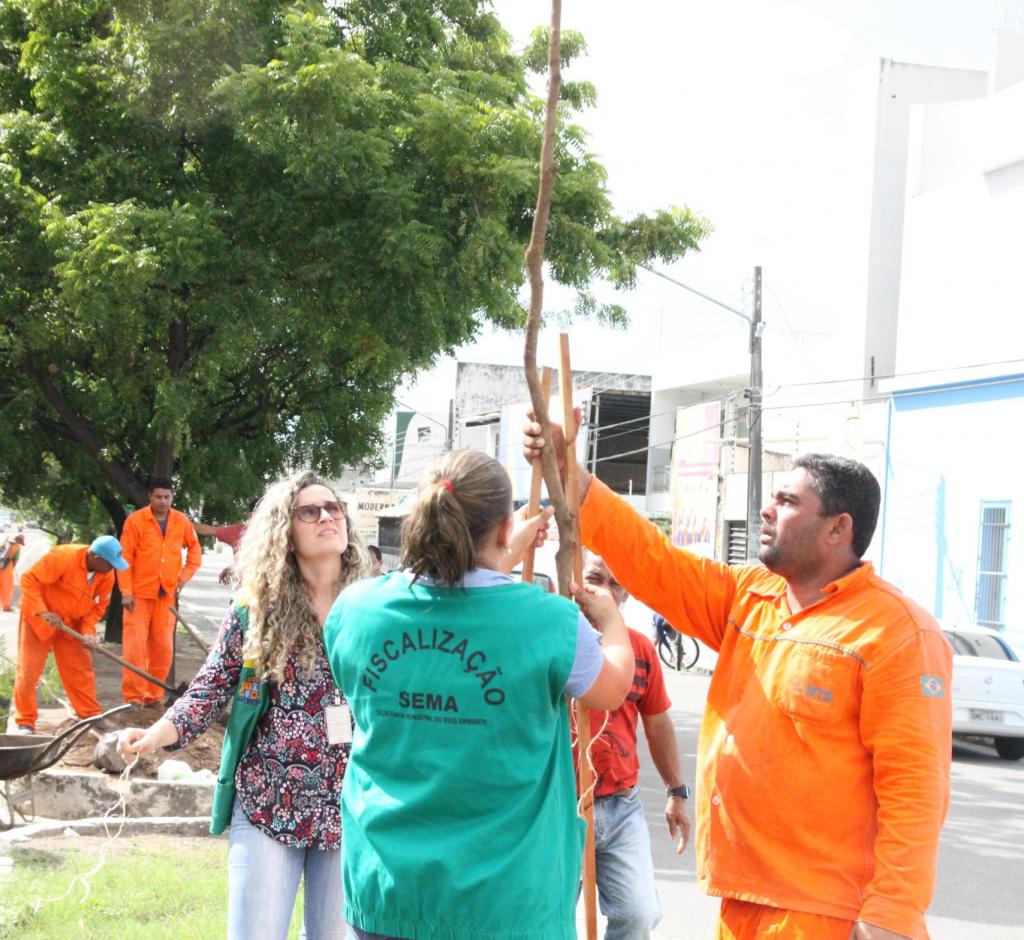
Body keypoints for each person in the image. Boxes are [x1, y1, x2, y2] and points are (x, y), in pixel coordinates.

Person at [524, 424, 952, 940]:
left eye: (787, 502)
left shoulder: (897, 633)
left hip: (825, 912)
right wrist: (571, 475)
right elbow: (655, 563)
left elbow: (915, 790)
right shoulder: (751, 597)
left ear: (839, 529)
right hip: (743, 898)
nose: (767, 511)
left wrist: (891, 918)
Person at [322, 449, 636, 940]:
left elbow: (456, 589)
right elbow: (612, 689)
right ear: (505, 527)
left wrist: (500, 552)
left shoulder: (356, 610)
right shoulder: (547, 620)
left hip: (389, 890)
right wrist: (611, 621)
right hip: (505, 901)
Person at [117, 470, 368, 940]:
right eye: (309, 511)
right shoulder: (256, 609)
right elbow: (210, 688)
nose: (326, 517)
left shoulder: (373, 607)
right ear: (285, 531)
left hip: (351, 806)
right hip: (268, 799)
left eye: (333, 508)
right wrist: (154, 735)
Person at [580, 551, 691, 940]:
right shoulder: (556, 641)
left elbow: (657, 723)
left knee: (639, 915)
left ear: (626, 594)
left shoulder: (640, 650)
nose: (605, 593)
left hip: (621, 805)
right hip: (560, 806)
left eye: (616, 584)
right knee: (548, 917)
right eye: (595, 579)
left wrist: (676, 792)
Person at [12, 536, 128, 733]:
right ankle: (25, 721)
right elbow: (28, 579)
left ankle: (90, 714)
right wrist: (43, 612)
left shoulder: (106, 575)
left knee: (80, 668)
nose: (112, 568)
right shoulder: (63, 557)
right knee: (29, 671)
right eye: (110, 563)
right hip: (39, 619)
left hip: (72, 624)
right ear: (95, 557)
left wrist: (88, 631)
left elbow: (98, 607)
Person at [117, 478, 202, 704]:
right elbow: (124, 559)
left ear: (172, 498)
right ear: (150, 497)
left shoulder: (181, 521)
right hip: (138, 596)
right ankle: (133, 697)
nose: (163, 501)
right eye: (158, 497)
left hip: (166, 597)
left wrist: (183, 579)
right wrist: (126, 591)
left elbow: (195, 552)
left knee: (163, 649)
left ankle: (153, 696)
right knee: (134, 649)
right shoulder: (136, 521)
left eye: (167, 497)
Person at [0, 532, 25, 611]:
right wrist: (12, 567)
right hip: (7, 568)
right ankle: (6, 606)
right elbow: (15, 560)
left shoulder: (3, 542)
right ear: (20, 540)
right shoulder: (17, 547)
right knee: (7, 588)